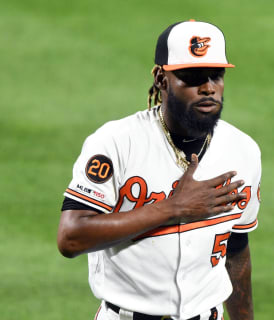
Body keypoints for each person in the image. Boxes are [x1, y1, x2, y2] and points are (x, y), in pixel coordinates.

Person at [57, 20, 261, 320]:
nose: (207, 87)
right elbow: (71, 238)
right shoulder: (116, 142)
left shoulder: (242, 150)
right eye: (191, 77)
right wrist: (172, 209)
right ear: (161, 79)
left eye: (215, 75)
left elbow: (236, 248)